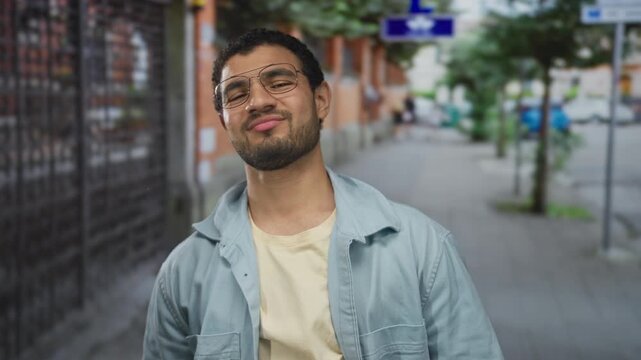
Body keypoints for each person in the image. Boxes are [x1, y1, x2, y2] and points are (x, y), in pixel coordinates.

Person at [142, 28, 503, 360]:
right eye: (236, 94)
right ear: (224, 121)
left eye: (279, 81)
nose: (258, 101)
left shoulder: (421, 247)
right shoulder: (183, 273)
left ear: (321, 100)